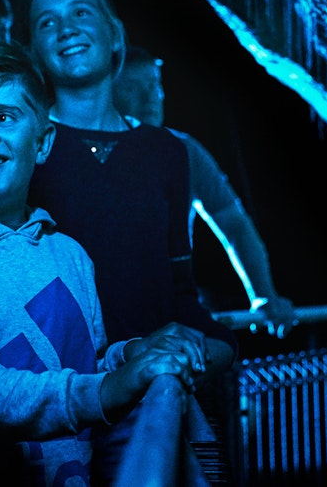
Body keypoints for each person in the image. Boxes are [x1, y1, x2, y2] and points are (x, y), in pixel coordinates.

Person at [0, 40, 207, 486]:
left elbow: (82, 364)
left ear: (44, 140)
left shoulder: (69, 255)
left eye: (6, 116)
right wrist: (103, 391)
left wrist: (130, 353)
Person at [24, 0, 239, 484]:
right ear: (33, 48)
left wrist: (207, 348)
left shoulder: (165, 152)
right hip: (59, 404)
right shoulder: (24, 147)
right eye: (47, 22)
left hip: (154, 394)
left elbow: (179, 289)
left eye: (81, 12)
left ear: (114, 33)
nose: (67, 28)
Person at [112, 44, 297, 337]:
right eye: (133, 87)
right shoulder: (91, 153)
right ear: (107, 93)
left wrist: (262, 293)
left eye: (154, 85)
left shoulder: (184, 151)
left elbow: (234, 224)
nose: (150, 97)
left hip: (173, 316)